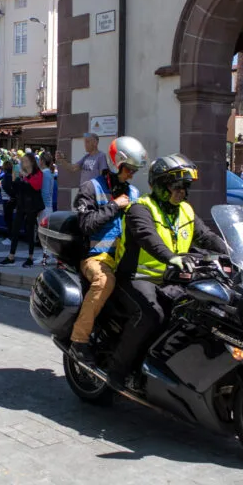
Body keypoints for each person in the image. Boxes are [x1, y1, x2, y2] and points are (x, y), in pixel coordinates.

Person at [109, 153, 228, 388]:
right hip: (137, 277)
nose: (182, 191)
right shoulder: (141, 209)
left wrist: (232, 252)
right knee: (153, 315)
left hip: (172, 277)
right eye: (176, 186)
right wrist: (171, 257)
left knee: (202, 310)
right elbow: (148, 238)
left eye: (185, 186)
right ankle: (118, 371)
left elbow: (206, 237)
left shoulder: (185, 210)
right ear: (160, 186)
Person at [67, 136, 147, 365]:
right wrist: (114, 206)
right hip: (96, 257)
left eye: (134, 170)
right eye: (129, 169)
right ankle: (78, 340)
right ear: (115, 164)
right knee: (104, 281)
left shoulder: (133, 193)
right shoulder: (90, 188)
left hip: (125, 258)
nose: (132, 174)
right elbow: (85, 225)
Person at [0, 153, 44, 268]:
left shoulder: (37, 173)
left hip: (32, 205)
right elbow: (16, 189)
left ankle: (30, 257)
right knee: (15, 229)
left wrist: (26, 177)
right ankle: (11, 256)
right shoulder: (22, 174)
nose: (23, 163)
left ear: (31, 162)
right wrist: (14, 180)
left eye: (25, 161)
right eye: (22, 161)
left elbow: (36, 186)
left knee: (29, 230)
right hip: (22, 204)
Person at [38, 152, 56, 265]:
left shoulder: (44, 173)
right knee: (47, 234)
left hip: (44, 207)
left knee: (44, 235)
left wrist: (39, 207)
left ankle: (46, 257)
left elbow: (43, 192)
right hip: (47, 207)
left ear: (42, 161)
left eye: (39, 160)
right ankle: (48, 256)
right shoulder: (49, 173)